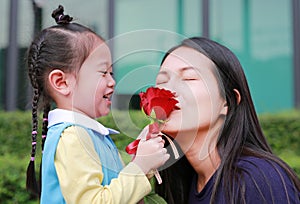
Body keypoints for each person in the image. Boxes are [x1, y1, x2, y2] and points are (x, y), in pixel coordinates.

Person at [25, 5, 169, 203]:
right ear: (62, 82)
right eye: (103, 73)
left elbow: (115, 191)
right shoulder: (72, 136)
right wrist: (140, 166)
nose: (112, 82)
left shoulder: (86, 134)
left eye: (112, 73)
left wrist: (141, 157)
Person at [152, 37, 300, 203]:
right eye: (162, 81)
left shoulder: (259, 179)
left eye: (189, 78)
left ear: (228, 102)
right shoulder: (179, 185)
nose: (168, 89)